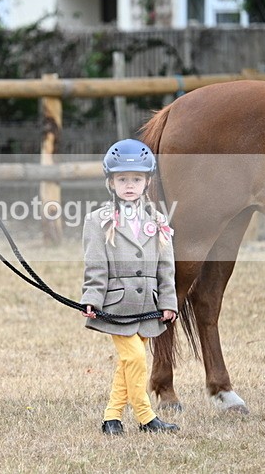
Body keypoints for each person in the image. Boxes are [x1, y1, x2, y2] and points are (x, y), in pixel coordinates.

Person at [81, 138, 179, 435]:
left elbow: (166, 266)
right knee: (134, 357)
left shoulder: (158, 220)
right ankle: (147, 418)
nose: (129, 185)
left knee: (128, 364)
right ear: (111, 183)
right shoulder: (97, 220)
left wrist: (169, 301)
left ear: (147, 182)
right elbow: (95, 266)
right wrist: (92, 299)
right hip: (116, 306)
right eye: (122, 179)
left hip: (148, 306)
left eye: (136, 179)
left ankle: (111, 418)